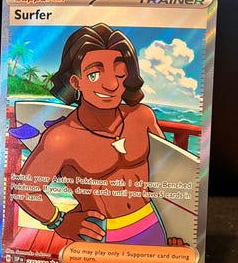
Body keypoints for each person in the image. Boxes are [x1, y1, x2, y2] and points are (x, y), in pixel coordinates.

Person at [13, 23, 176, 246]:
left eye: (120, 74)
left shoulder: (142, 117)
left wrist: (178, 227)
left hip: (152, 223)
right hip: (99, 234)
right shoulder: (62, 138)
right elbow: (25, 190)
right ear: (75, 82)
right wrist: (59, 221)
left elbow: (168, 175)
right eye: (94, 75)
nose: (111, 84)